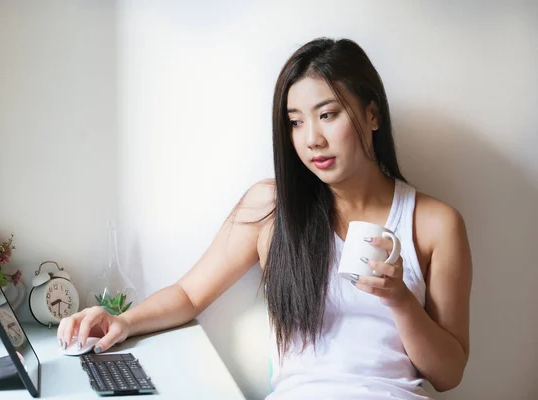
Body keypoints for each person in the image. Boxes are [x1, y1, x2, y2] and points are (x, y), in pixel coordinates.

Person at [57, 37, 472, 399]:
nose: (312, 139)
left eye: (328, 114)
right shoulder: (271, 208)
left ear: (372, 115)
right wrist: (121, 321)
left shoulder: (435, 223)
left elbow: (448, 375)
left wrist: (401, 301)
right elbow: (189, 295)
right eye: (296, 122)